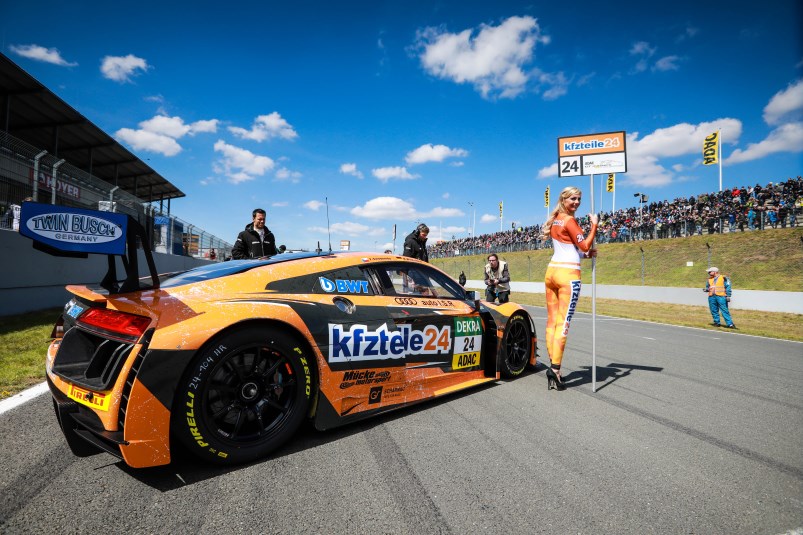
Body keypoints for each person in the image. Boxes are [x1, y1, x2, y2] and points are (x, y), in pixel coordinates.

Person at [542, 186, 598, 391]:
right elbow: (583, 245)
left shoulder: (556, 218)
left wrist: (586, 255)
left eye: (579, 199)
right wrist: (594, 226)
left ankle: (553, 365)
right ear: (564, 199)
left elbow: (569, 248)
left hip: (552, 273)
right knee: (563, 325)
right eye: (573, 198)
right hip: (568, 276)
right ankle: (555, 369)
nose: (576, 202)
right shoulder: (570, 220)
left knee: (552, 323)